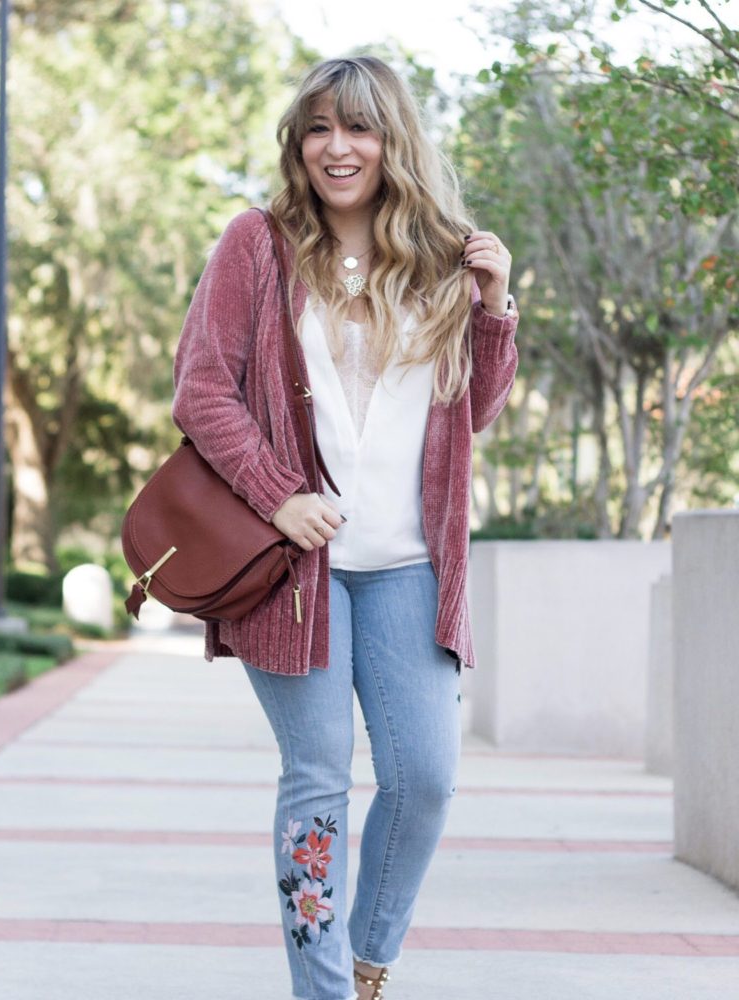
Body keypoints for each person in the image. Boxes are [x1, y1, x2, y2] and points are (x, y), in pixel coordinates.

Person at [171, 55, 518, 1000]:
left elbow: (474, 411)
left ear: (391, 140)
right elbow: (201, 388)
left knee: (425, 781)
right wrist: (279, 493)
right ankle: (321, 990)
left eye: (358, 128)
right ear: (299, 142)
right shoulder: (257, 245)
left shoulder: (443, 253)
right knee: (319, 779)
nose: (338, 147)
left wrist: (495, 310)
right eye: (319, 127)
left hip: (410, 565)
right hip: (293, 570)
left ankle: (369, 957)